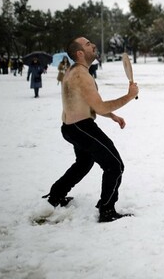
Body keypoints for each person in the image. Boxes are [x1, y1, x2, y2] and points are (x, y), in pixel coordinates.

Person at [42, 37, 139, 222]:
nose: (93, 45)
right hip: (82, 128)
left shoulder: (73, 72)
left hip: (70, 128)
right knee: (114, 165)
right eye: (88, 44)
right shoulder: (81, 76)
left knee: (84, 163)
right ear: (80, 53)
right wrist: (129, 96)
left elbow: (91, 105)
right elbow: (101, 107)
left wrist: (113, 116)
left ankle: (56, 196)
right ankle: (107, 210)